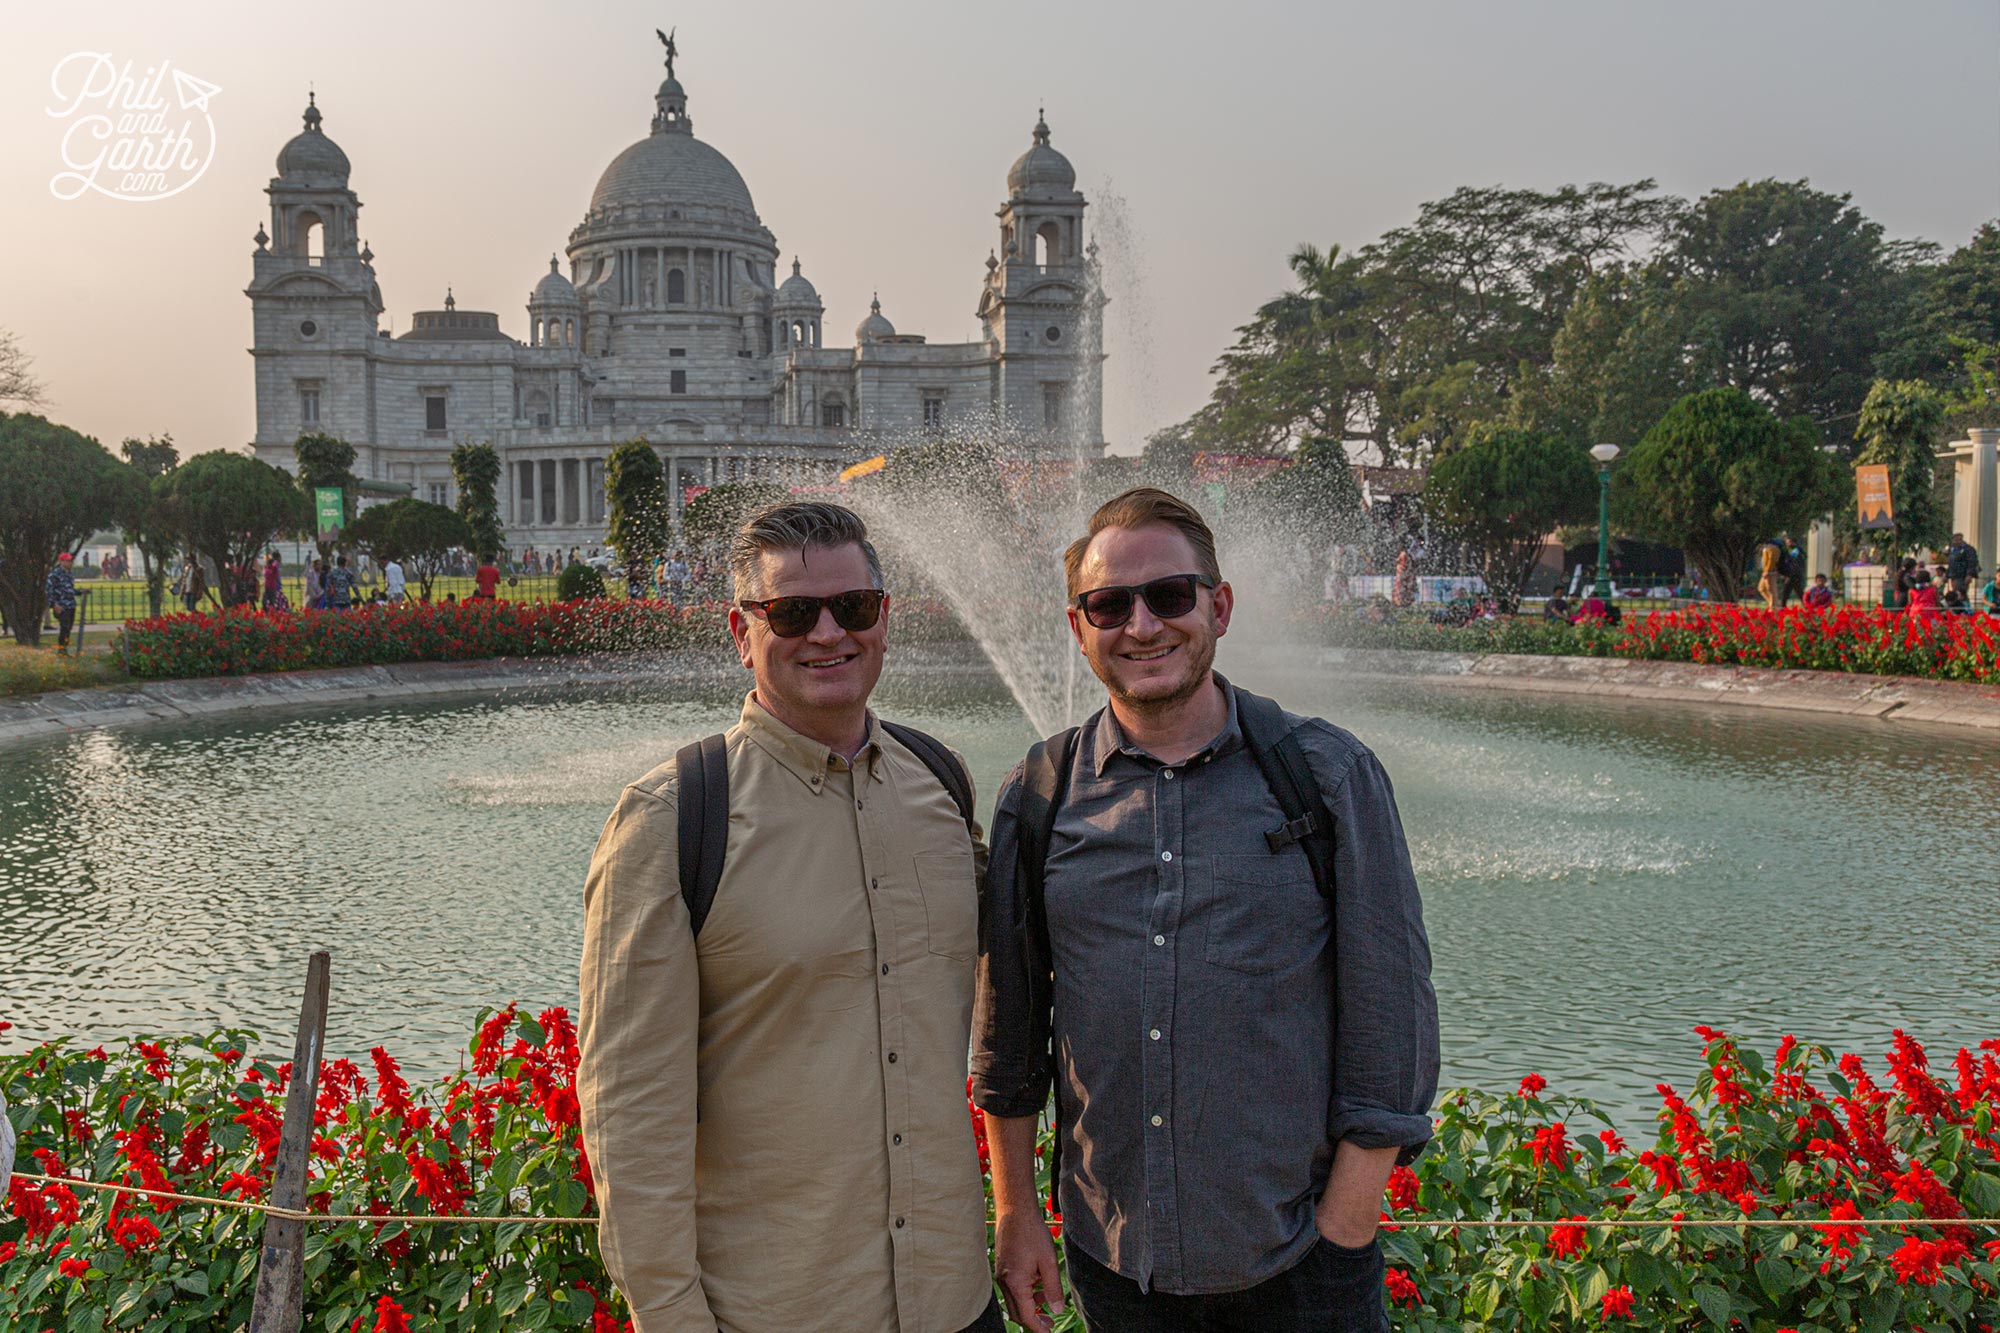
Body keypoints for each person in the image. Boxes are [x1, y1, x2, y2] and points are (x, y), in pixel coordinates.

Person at [974, 488, 1439, 1333]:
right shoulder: (1037, 796)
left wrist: (1344, 1227)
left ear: (1218, 607)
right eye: (1109, 604)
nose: (1142, 624)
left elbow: (1391, 1018)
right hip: (1117, 1265)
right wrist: (1016, 1213)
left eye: (1171, 596)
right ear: (1079, 627)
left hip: (1301, 1267)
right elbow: (1010, 1035)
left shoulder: (1328, 777)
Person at [579, 501, 1003, 1333]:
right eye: (792, 612)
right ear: (742, 632)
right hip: (779, 1311)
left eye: (852, 607)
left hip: (955, 1300)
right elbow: (632, 1119)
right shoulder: (673, 818)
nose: (827, 633)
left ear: (884, 618)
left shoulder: (941, 784)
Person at [46, 553, 79, 656]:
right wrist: (54, 604)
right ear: (61, 562)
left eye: (70, 561)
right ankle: (62, 650)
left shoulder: (69, 574)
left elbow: (70, 589)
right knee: (64, 627)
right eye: (67, 561)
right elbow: (49, 590)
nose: (69, 563)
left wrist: (81, 592)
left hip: (70, 605)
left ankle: (65, 648)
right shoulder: (55, 574)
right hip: (61, 605)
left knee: (68, 627)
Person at [1946, 533, 1979, 602]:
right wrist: (1947, 575)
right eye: (1954, 540)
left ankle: (1965, 609)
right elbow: (1951, 563)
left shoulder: (1968, 549)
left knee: (1961, 594)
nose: (1955, 542)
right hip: (1954, 575)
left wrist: (1969, 574)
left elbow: (1972, 562)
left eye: (1957, 540)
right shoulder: (1952, 550)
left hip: (1963, 575)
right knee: (1956, 593)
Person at [1757, 536, 1785, 611]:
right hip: (1766, 571)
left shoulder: (1773, 549)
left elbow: (1771, 561)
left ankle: (1773, 609)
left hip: (1770, 572)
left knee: (1771, 591)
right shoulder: (1767, 548)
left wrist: (1767, 571)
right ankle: (1774, 605)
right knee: (1761, 588)